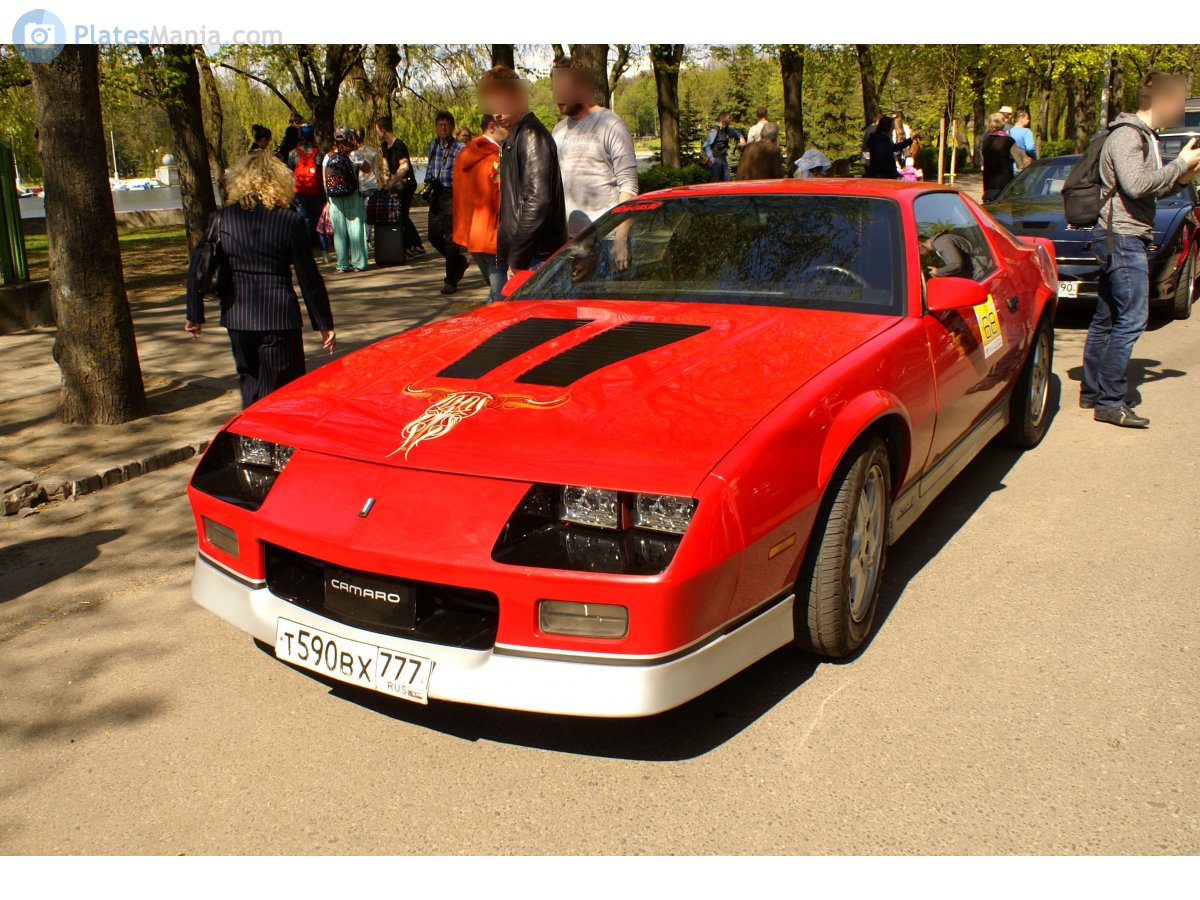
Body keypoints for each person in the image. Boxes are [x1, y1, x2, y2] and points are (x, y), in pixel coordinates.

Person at [1082, 72, 1200, 428]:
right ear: (1161, 101)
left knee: (1107, 317)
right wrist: (1179, 164)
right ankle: (1109, 400)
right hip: (1121, 237)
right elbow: (1135, 186)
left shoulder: (1144, 136)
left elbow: (1147, 190)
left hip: (1121, 235)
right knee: (1132, 319)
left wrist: (1181, 177)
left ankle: (1094, 391)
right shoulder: (1127, 136)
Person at [184, 151, 334, 408]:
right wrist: (323, 322)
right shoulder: (289, 220)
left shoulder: (223, 218)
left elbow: (198, 266)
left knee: (250, 382)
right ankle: (275, 443)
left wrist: (194, 314)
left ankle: (253, 443)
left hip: (237, 317)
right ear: (279, 181)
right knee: (283, 391)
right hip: (279, 317)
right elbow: (308, 277)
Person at [479, 64, 567, 278]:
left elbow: (537, 201)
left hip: (533, 256)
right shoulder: (516, 136)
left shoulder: (530, 135)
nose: (496, 113)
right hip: (525, 254)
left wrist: (518, 259)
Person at [550, 55, 639, 237]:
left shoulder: (610, 124)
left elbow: (628, 185)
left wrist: (621, 238)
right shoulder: (557, 131)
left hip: (606, 235)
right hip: (569, 240)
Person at [453, 114, 507, 301]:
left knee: (495, 292)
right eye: (506, 126)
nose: (510, 129)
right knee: (500, 298)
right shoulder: (495, 157)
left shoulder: (464, 154)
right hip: (493, 234)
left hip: (472, 234)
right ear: (492, 127)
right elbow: (502, 194)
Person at [424, 110, 469, 293]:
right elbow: (430, 167)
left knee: (451, 238)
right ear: (436, 126)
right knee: (433, 235)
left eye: (447, 124)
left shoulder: (459, 148)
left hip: (452, 193)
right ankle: (458, 262)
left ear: (452, 127)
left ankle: (450, 281)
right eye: (440, 124)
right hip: (436, 194)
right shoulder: (432, 145)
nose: (443, 127)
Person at [375, 115, 425, 259]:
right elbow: (385, 165)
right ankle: (414, 246)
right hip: (396, 184)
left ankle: (413, 246)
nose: (377, 133)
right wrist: (386, 182)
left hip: (407, 183)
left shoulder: (399, 145)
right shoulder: (385, 146)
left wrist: (393, 181)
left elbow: (404, 167)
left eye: (378, 130)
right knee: (401, 215)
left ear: (383, 130)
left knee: (402, 214)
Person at [323, 126, 369, 272]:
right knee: (355, 228)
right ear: (350, 138)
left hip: (334, 198)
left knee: (339, 231)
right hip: (352, 194)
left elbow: (324, 181)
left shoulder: (328, 157)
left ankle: (342, 264)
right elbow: (367, 169)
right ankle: (358, 263)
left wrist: (328, 199)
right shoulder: (354, 154)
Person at [287, 124, 325, 247]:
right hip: (315, 190)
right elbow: (320, 171)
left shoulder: (293, 153)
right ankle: (322, 246)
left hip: (299, 191)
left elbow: (291, 171)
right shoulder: (318, 153)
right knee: (318, 218)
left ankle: (305, 245)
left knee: (303, 218)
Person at [981, 112, 1028, 196]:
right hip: (1004, 179)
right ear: (1003, 124)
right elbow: (1020, 163)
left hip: (989, 179)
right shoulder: (1008, 141)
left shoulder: (986, 140)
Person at [351, 126, 379, 243]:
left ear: (353, 137)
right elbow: (376, 170)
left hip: (359, 186)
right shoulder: (372, 151)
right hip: (372, 184)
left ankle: (361, 238)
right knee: (369, 213)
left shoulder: (352, 153)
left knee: (359, 214)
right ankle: (367, 237)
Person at [702, 112, 746, 183]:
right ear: (723, 119)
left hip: (723, 159)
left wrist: (741, 138)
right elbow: (706, 145)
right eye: (728, 118)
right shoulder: (715, 130)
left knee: (726, 182)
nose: (730, 120)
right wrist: (712, 159)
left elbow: (736, 133)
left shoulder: (726, 130)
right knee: (714, 183)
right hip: (716, 159)